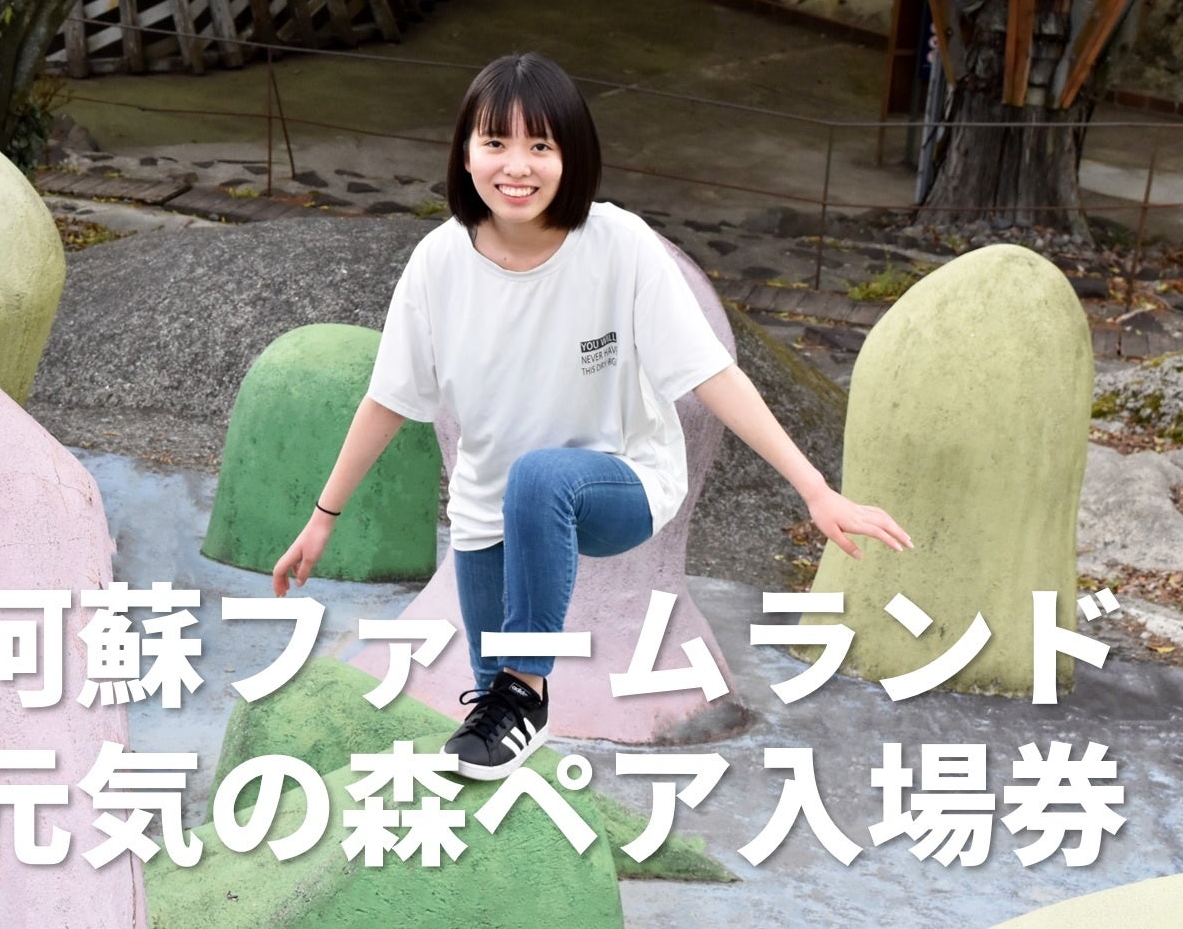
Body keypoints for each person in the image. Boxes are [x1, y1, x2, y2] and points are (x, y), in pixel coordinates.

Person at [270, 53, 910, 781]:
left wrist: (815, 490)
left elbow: (711, 375)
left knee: (535, 531)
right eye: (495, 142)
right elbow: (389, 400)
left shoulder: (618, 244)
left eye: (540, 145)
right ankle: (514, 732)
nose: (517, 166)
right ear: (466, 155)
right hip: (487, 515)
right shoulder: (437, 263)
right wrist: (323, 518)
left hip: (622, 485)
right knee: (490, 726)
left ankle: (527, 690)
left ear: (571, 156)